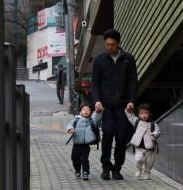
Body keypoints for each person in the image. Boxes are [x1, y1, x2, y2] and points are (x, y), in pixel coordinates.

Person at [92, 28, 138, 180]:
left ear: (118, 43)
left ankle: (117, 168)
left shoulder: (128, 59)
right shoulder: (99, 60)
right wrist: (97, 101)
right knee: (108, 134)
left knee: (121, 137)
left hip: (123, 106)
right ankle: (106, 167)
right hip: (105, 106)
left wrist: (131, 100)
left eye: (112, 44)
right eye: (107, 44)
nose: (109, 47)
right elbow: (95, 84)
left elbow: (133, 82)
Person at [66, 104, 103, 180]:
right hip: (76, 145)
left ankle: (85, 172)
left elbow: (97, 116)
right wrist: (70, 129)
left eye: (88, 110)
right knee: (75, 159)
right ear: (80, 112)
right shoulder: (76, 120)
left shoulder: (92, 120)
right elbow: (69, 125)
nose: (86, 111)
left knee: (84, 159)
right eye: (84, 109)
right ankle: (77, 170)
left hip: (85, 146)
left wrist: (98, 111)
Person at [125, 104, 161, 180]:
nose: (144, 115)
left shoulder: (153, 124)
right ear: (139, 114)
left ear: (149, 114)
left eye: (146, 113)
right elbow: (130, 116)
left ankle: (147, 173)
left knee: (149, 162)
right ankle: (139, 169)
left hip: (150, 147)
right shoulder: (137, 122)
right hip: (139, 146)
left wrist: (154, 134)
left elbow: (158, 131)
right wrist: (128, 110)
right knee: (139, 159)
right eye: (142, 113)